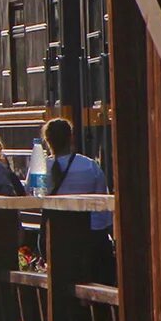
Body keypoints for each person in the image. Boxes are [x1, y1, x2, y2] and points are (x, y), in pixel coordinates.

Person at [43, 117, 114, 283]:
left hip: (57, 236)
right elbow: (102, 205)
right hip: (91, 234)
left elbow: (31, 195)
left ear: (47, 141)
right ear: (71, 138)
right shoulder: (89, 166)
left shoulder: (41, 168)